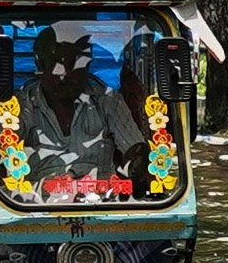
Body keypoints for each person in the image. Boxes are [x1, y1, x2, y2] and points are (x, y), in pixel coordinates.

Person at [17, 29, 150, 194]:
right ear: (41, 65)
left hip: (102, 205)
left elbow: (135, 148)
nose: (66, 74)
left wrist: (136, 169)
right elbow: (0, 156)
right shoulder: (21, 105)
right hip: (35, 208)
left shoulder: (107, 100)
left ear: (88, 65)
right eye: (58, 63)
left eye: (75, 64)